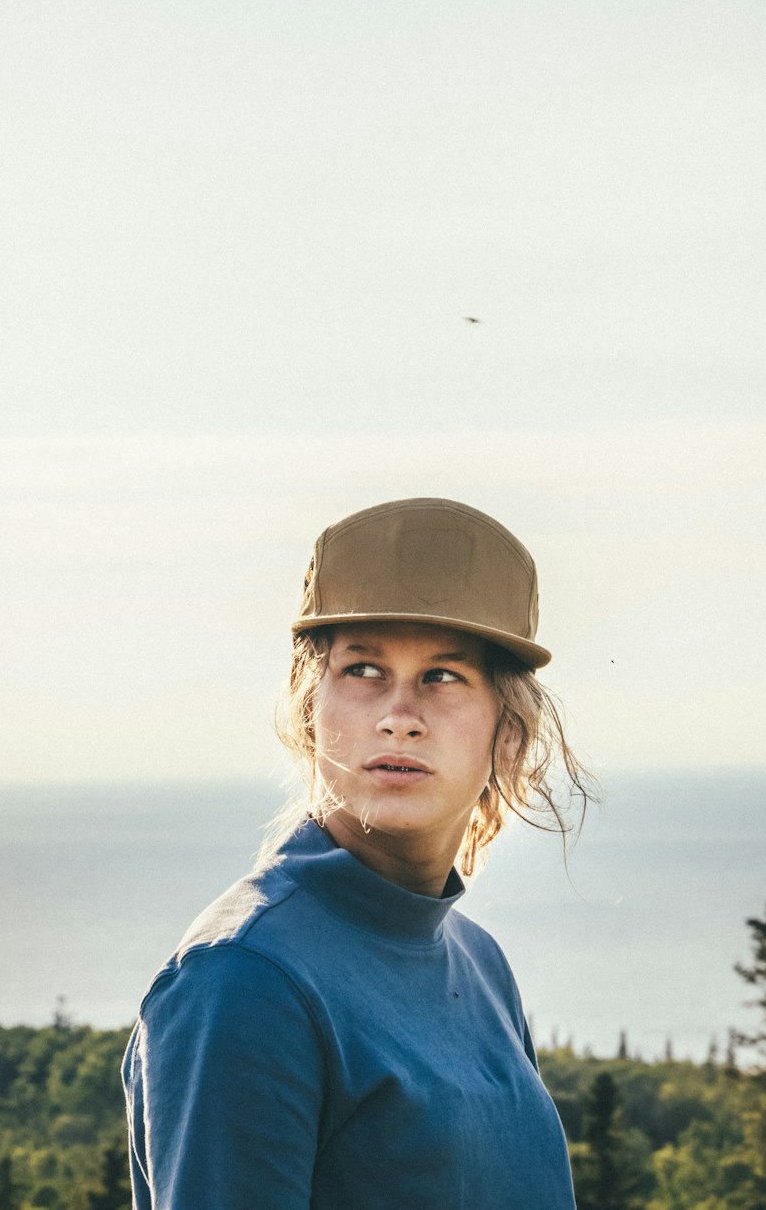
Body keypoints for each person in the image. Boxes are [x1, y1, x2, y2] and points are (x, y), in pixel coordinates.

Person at [123, 497, 589, 1210]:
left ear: (510, 732)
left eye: (443, 676)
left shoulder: (480, 964)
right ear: (310, 709)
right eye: (364, 669)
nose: (399, 717)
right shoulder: (245, 981)